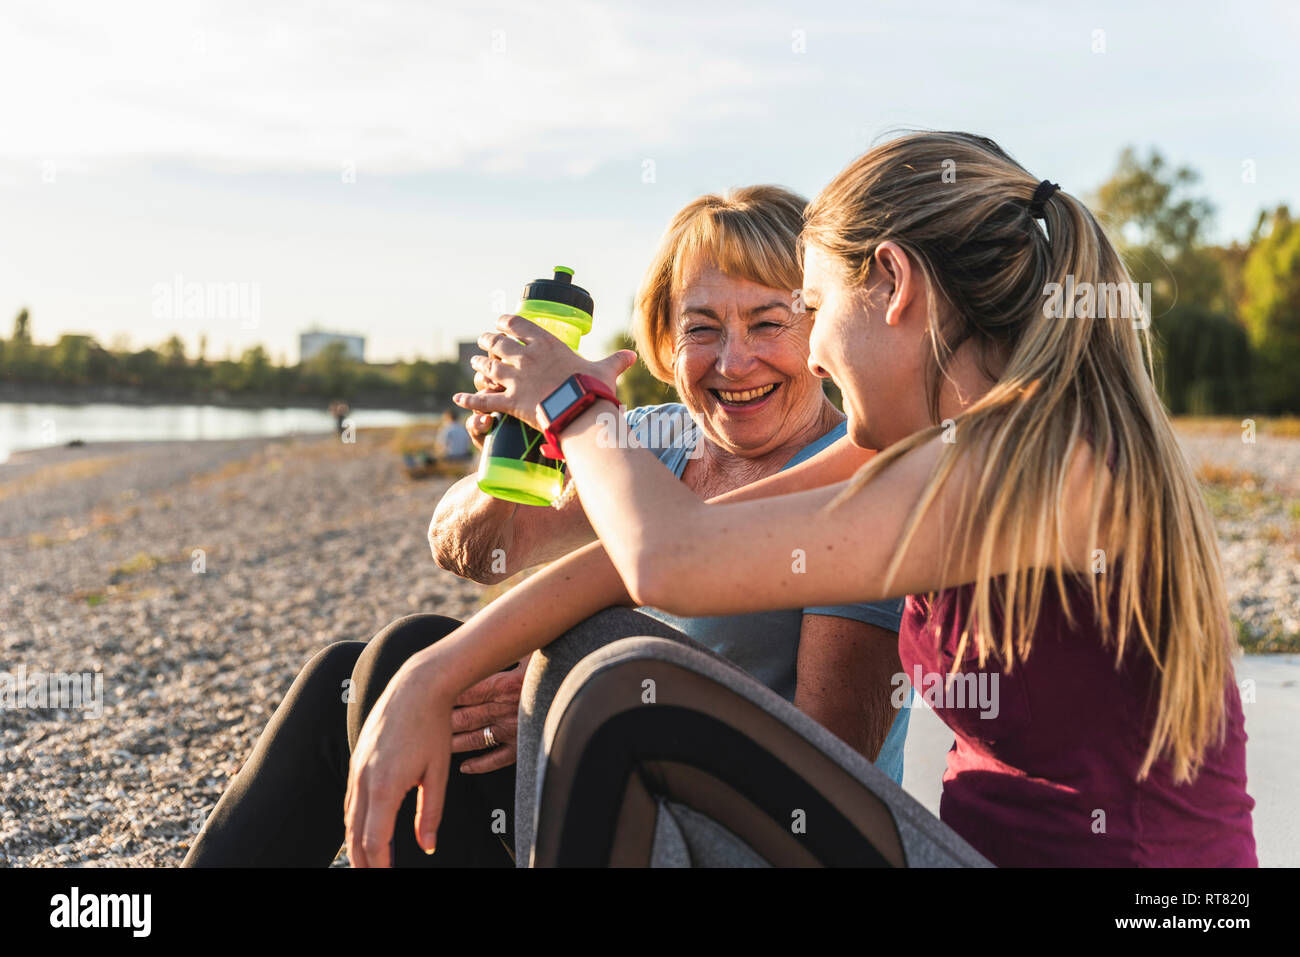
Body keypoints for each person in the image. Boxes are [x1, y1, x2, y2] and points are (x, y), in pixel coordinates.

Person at [347, 131, 1257, 868]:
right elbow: (655, 553)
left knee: (625, 692)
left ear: (893, 286)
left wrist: (572, 400)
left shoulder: (1041, 463)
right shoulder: (917, 447)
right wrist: (433, 676)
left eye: (814, 309)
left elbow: (671, 560)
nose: (813, 356)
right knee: (520, 656)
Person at [182, 186, 909, 867]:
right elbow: (475, 553)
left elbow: (831, 757)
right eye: (702, 327)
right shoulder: (648, 441)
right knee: (355, 674)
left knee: (417, 667)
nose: (732, 360)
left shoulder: (857, 481)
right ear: (664, 337)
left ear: (819, 329)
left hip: (740, 832)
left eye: (768, 322)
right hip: (607, 776)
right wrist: (511, 452)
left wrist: (564, 694)